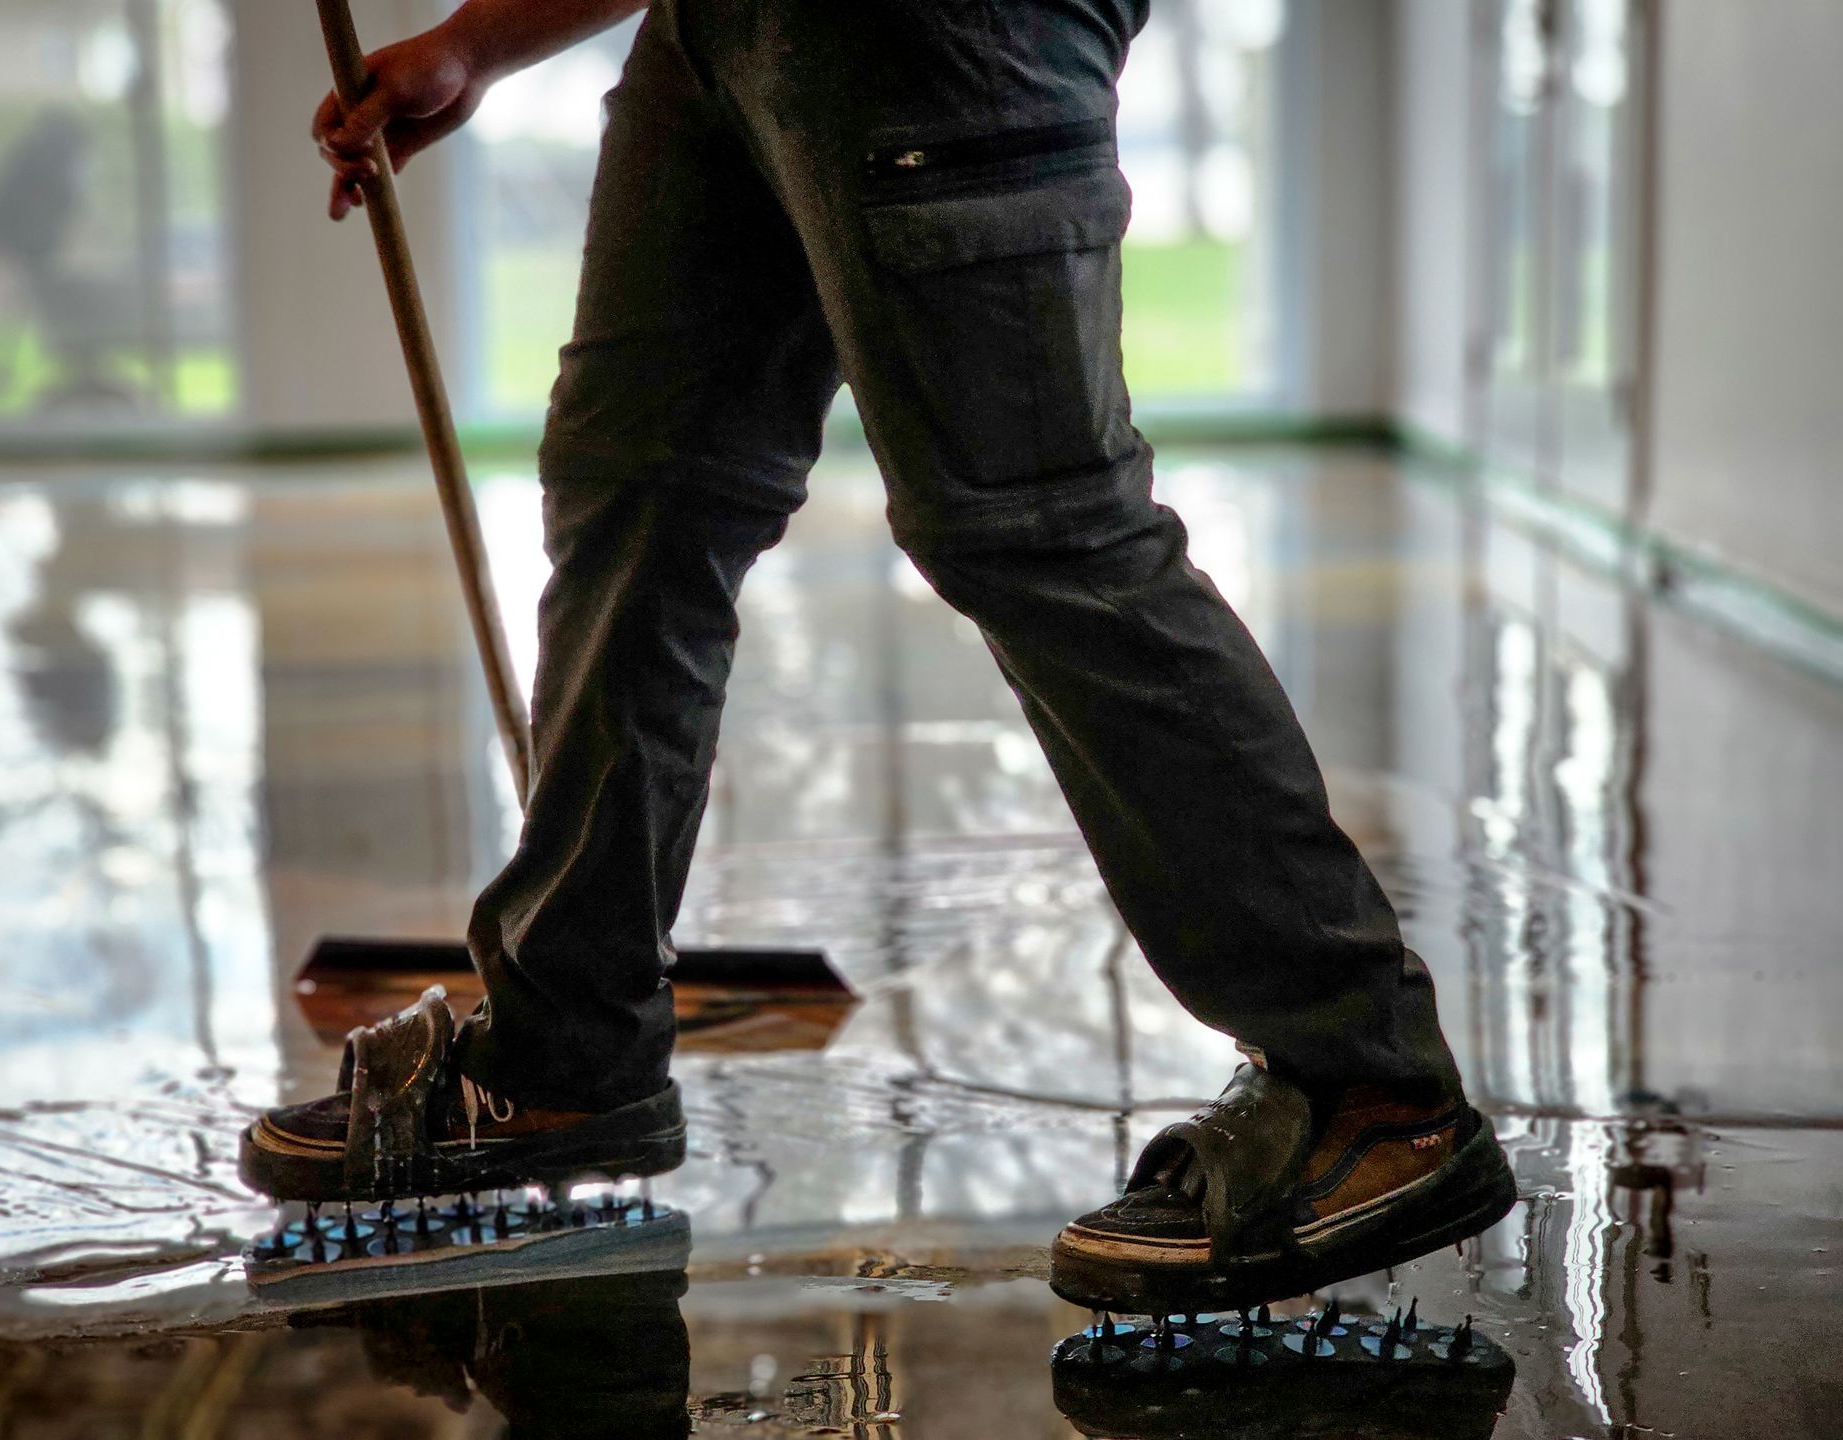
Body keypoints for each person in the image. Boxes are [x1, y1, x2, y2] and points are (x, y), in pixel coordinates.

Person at [239, 0, 1516, 1311]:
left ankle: (1369, 1086)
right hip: (716, 33)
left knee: (1035, 525)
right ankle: (563, 1055)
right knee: (641, 492)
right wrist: (484, 39)